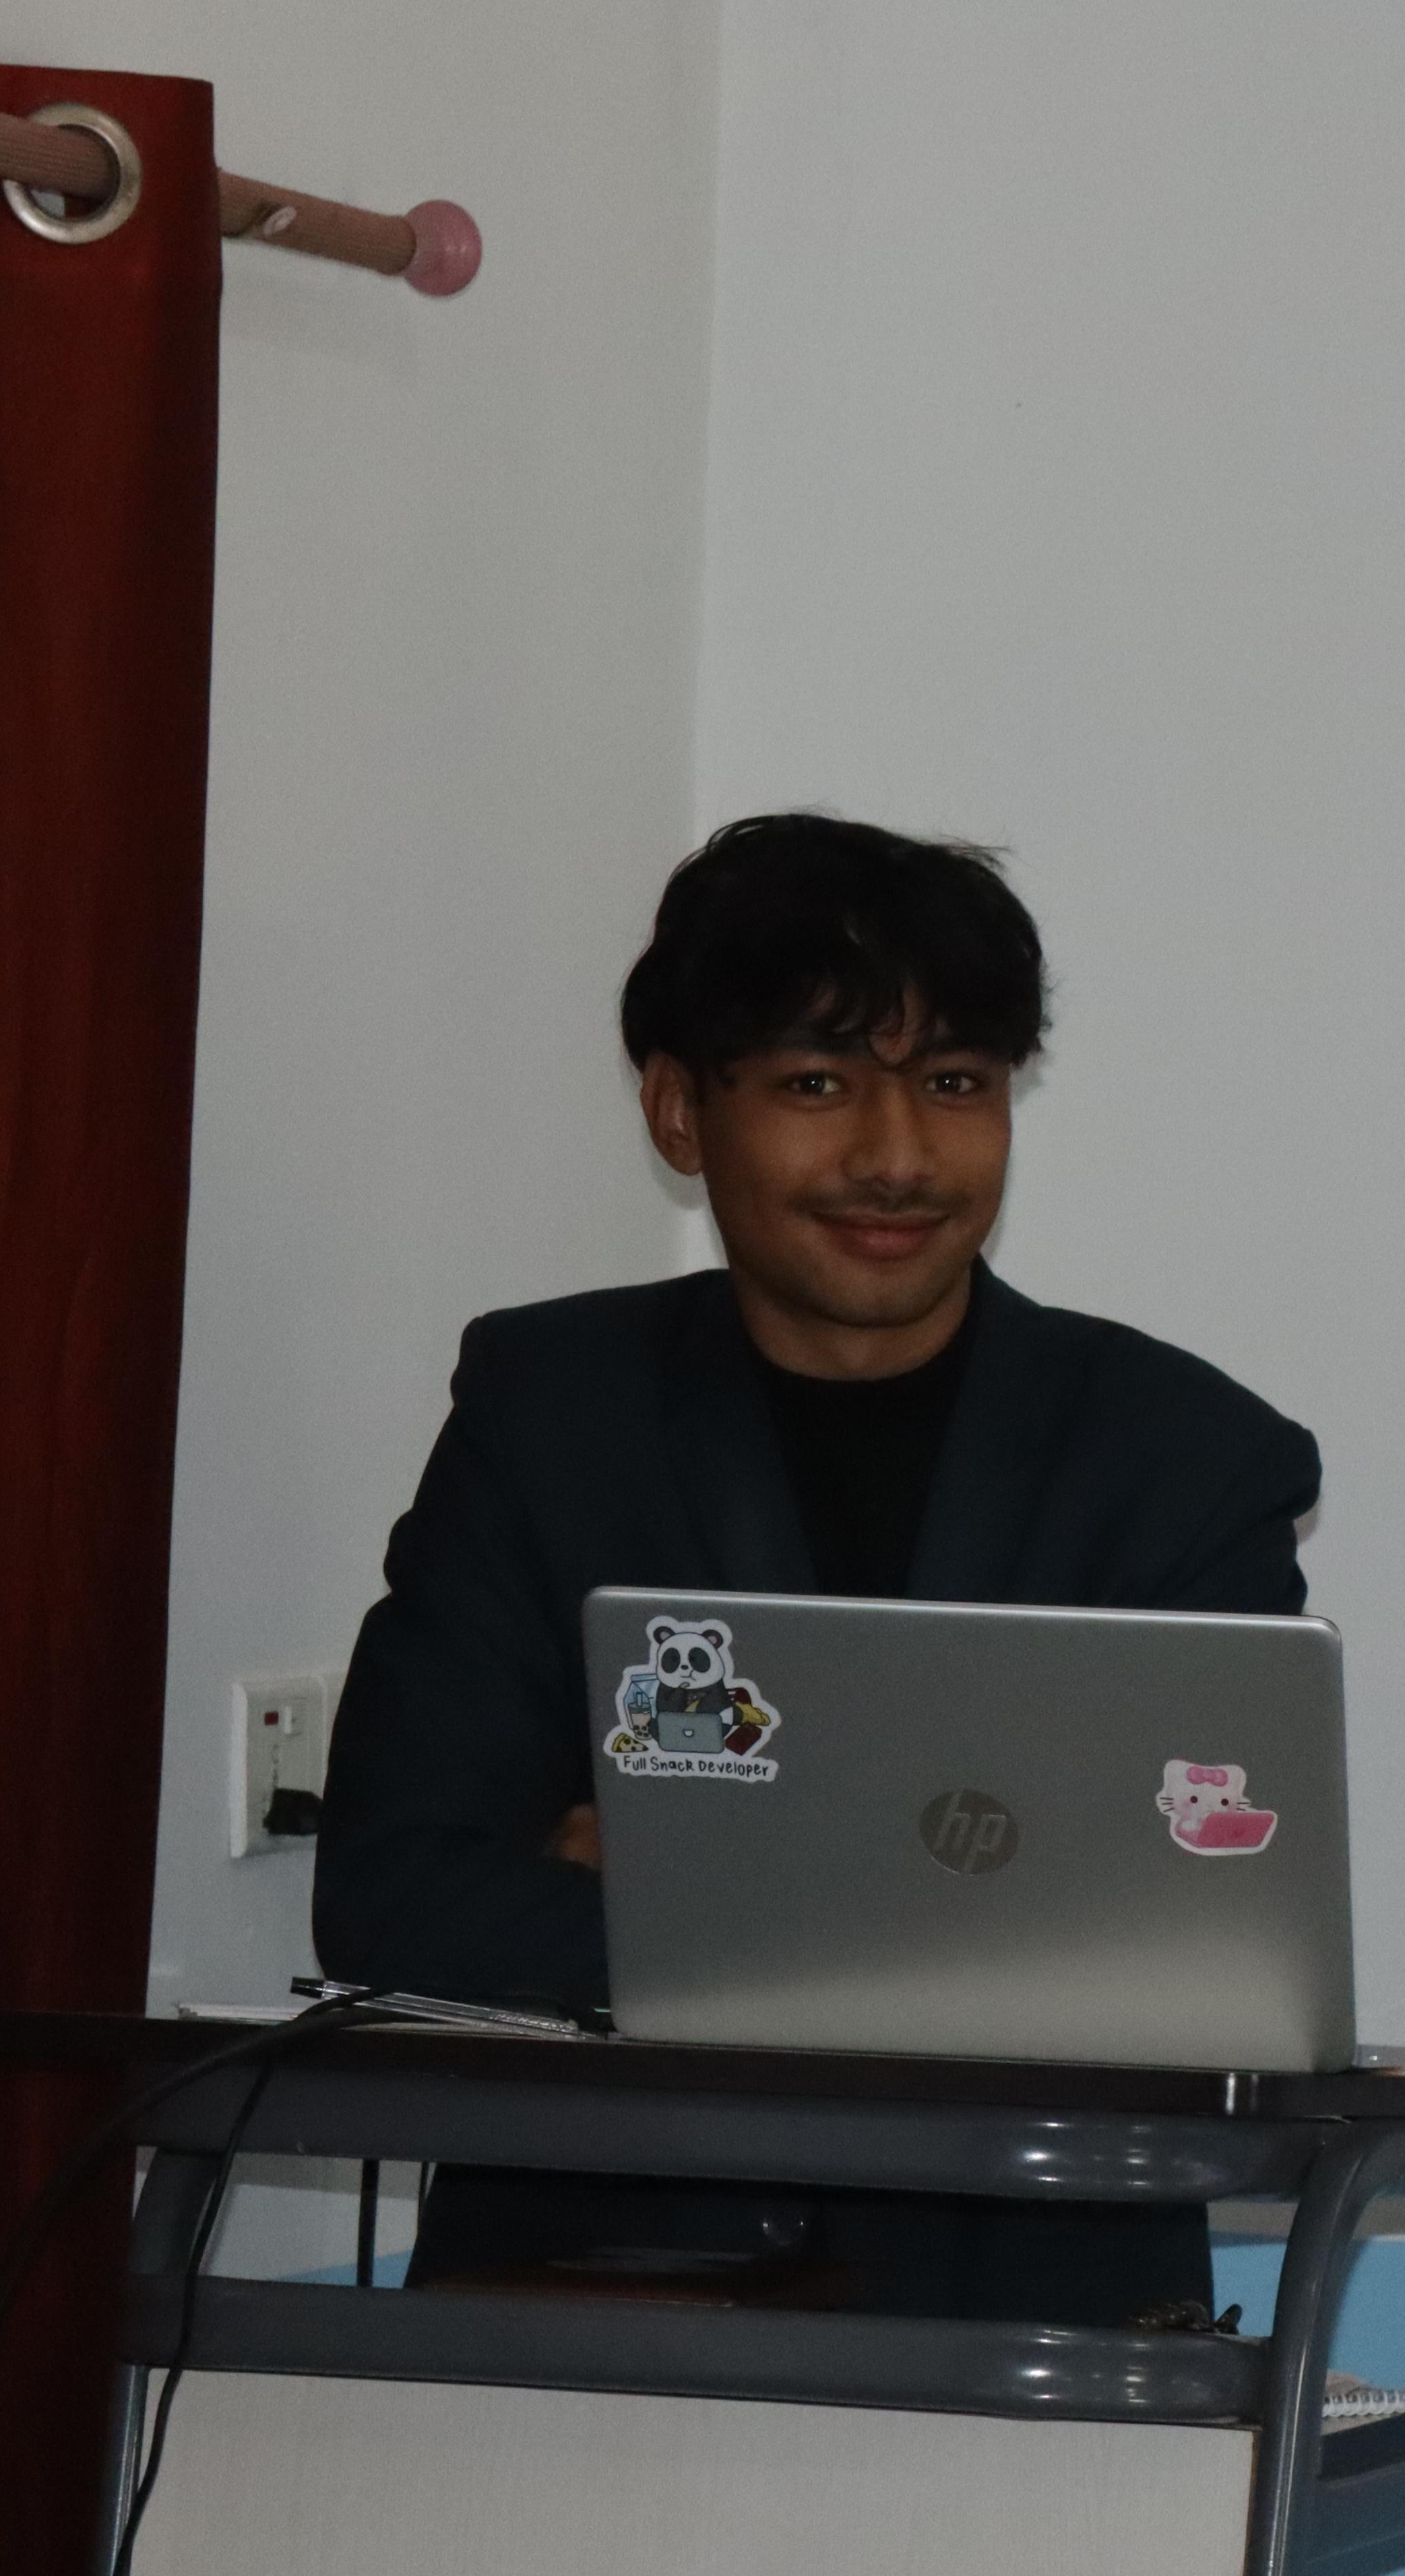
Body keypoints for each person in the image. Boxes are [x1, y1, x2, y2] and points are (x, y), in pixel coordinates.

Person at [311, 812, 1321, 2321]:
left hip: (1033, 2322)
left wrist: (675, 1878)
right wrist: (945, 1922)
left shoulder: (1184, 1459)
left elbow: (1202, 1947)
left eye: (956, 1084)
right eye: (816, 1084)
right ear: (678, 1111)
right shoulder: (551, 1414)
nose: (896, 1157)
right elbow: (395, 1895)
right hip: (594, 2296)